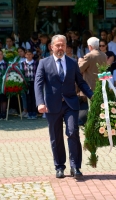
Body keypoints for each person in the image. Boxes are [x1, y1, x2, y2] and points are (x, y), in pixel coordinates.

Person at [35, 35, 93, 178]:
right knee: (56, 137)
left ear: (66, 46)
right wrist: (40, 102)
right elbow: (38, 84)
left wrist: (94, 96)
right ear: (52, 47)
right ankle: (59, 166)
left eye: (63, 45)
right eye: (58, 45)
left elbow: (81, 82)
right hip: (52, 105)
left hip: (70, 104)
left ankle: (75, 166)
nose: (60, 48)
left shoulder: (73, 63)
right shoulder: (43, 63)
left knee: (73, 132)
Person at [20, 50, 38, 119]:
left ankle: (34, 112)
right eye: (27, 54)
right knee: (28, 98)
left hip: (34, 82)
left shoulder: (36, 63)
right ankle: (29, 113)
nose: (29, 56)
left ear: (32, 55)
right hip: (26, 83)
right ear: (25, 55)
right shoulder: (22, 64)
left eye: (30, 54)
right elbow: (21, 73)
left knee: (34, 97)